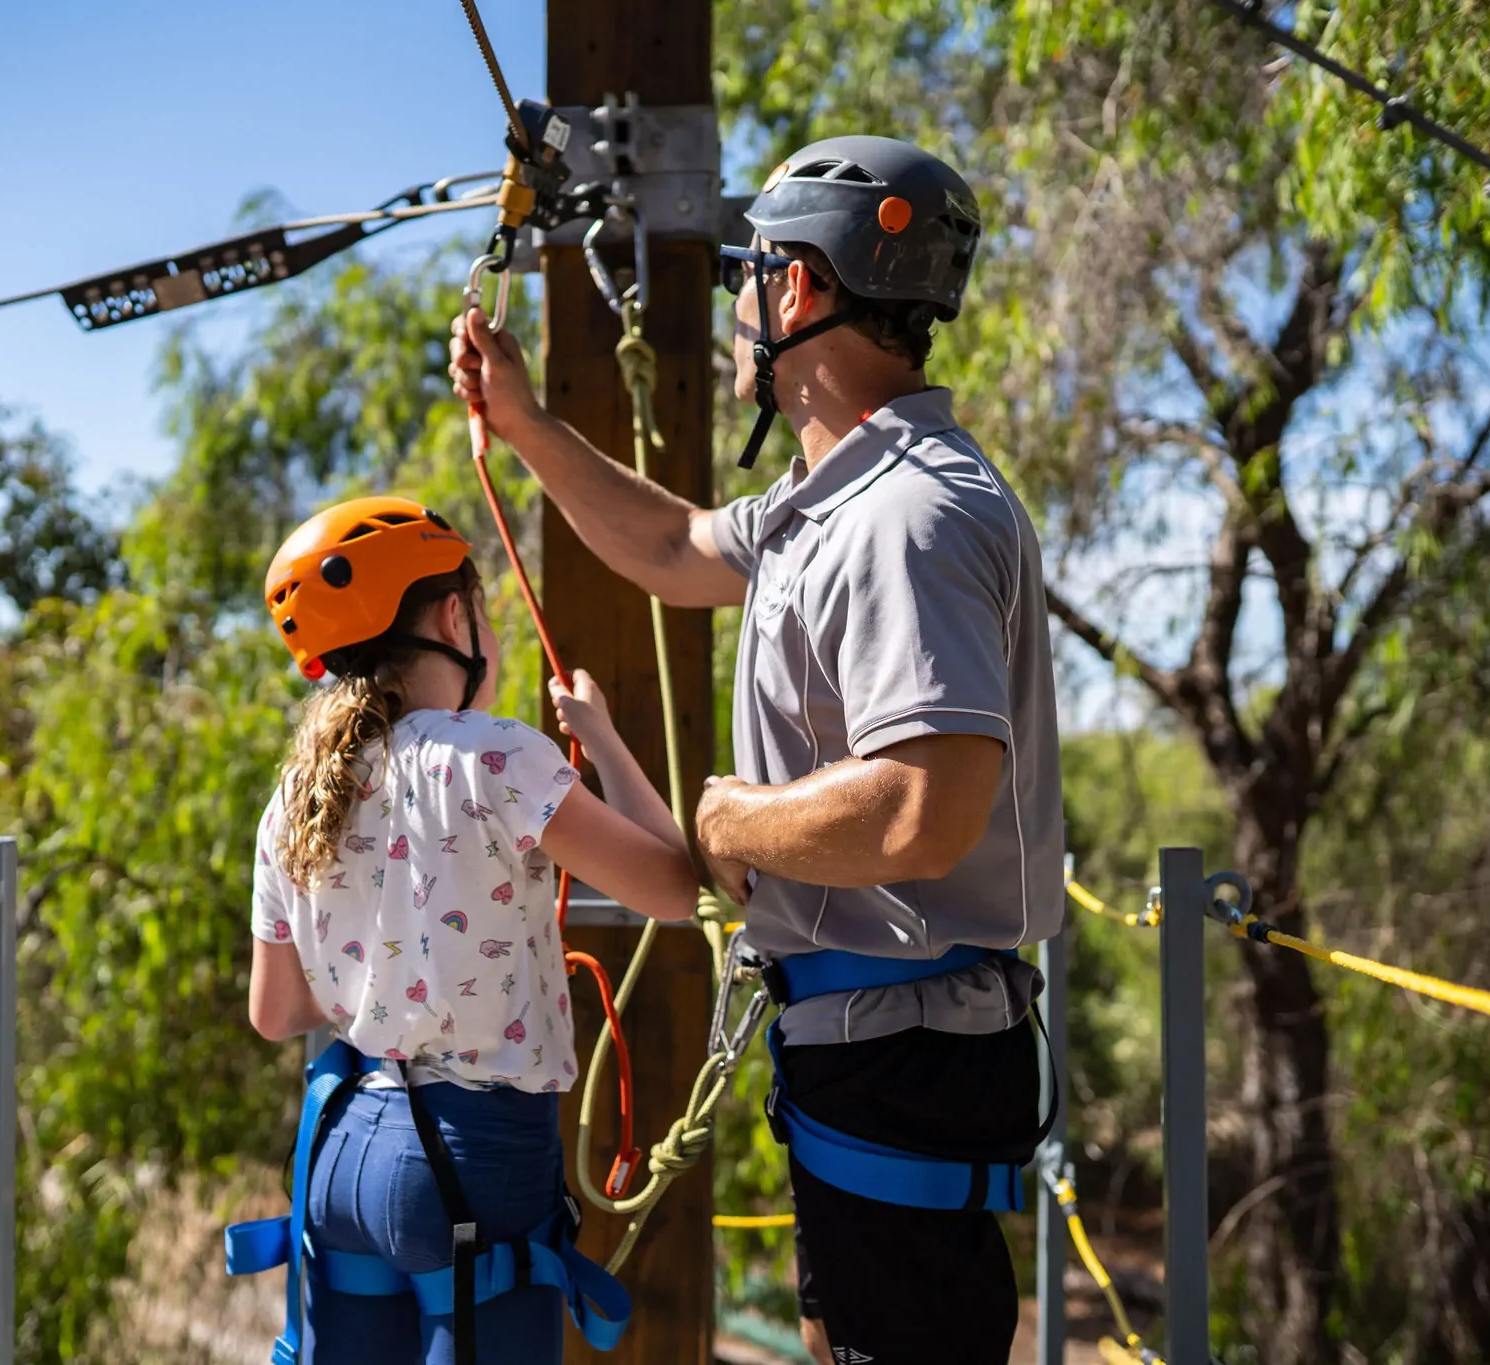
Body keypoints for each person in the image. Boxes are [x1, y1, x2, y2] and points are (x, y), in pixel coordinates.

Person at [450, 137, 1064, 1365]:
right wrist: (522, 425)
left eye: (747, 273)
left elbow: (917, 813)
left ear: (796, 292)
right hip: (876, 1047)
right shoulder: (829, 497)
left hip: (903, 1052)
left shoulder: (906, 516)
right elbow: (674, 549)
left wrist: (726, 822)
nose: (736, 305)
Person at [244, 495, 698, 1365]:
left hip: (343, 1151)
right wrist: (600, 742)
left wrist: (383, 977)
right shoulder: (495, 755)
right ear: (455, 618)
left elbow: (276, 1011)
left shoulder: (294, 798)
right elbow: (675, 885)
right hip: (474, 1156)